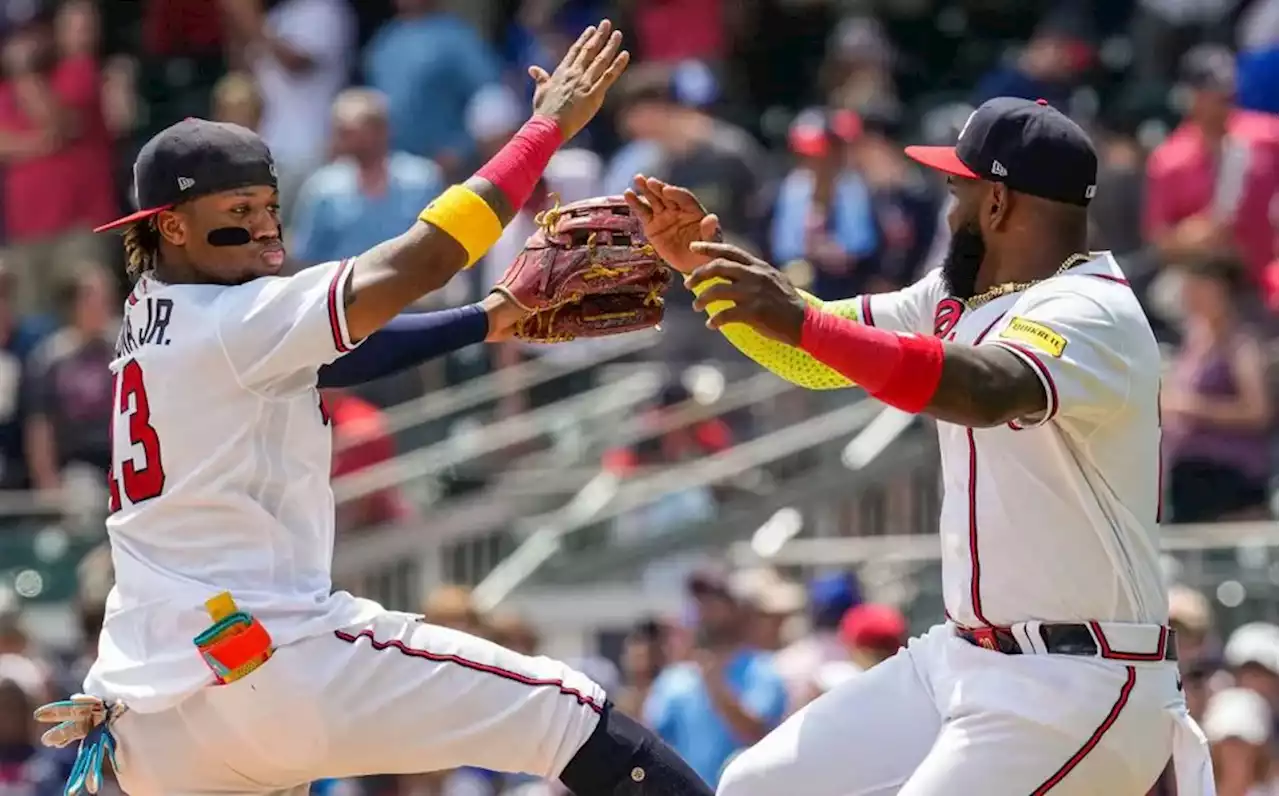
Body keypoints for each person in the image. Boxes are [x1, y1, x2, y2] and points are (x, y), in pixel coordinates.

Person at [37, 22, 713, 796]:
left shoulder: (148, 313)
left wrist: (489, 318)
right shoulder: (235, 316)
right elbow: (425, 257)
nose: (263, 226)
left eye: (268, 203)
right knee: (575, 718)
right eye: (238, 207)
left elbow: (341, 351)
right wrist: (546, 126)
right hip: (271, 658)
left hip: (149, 721)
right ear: (172, 225)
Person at [625, 96, 1211, 795]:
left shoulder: (1091, 309)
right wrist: (701, 264)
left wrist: (797, 321)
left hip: (1080, 677)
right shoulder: (958, 296)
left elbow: (989, 389)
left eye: (957, 187)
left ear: (997, 203)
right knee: (757, 784)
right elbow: (816, 351)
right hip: (962, 659)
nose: (948, 207)